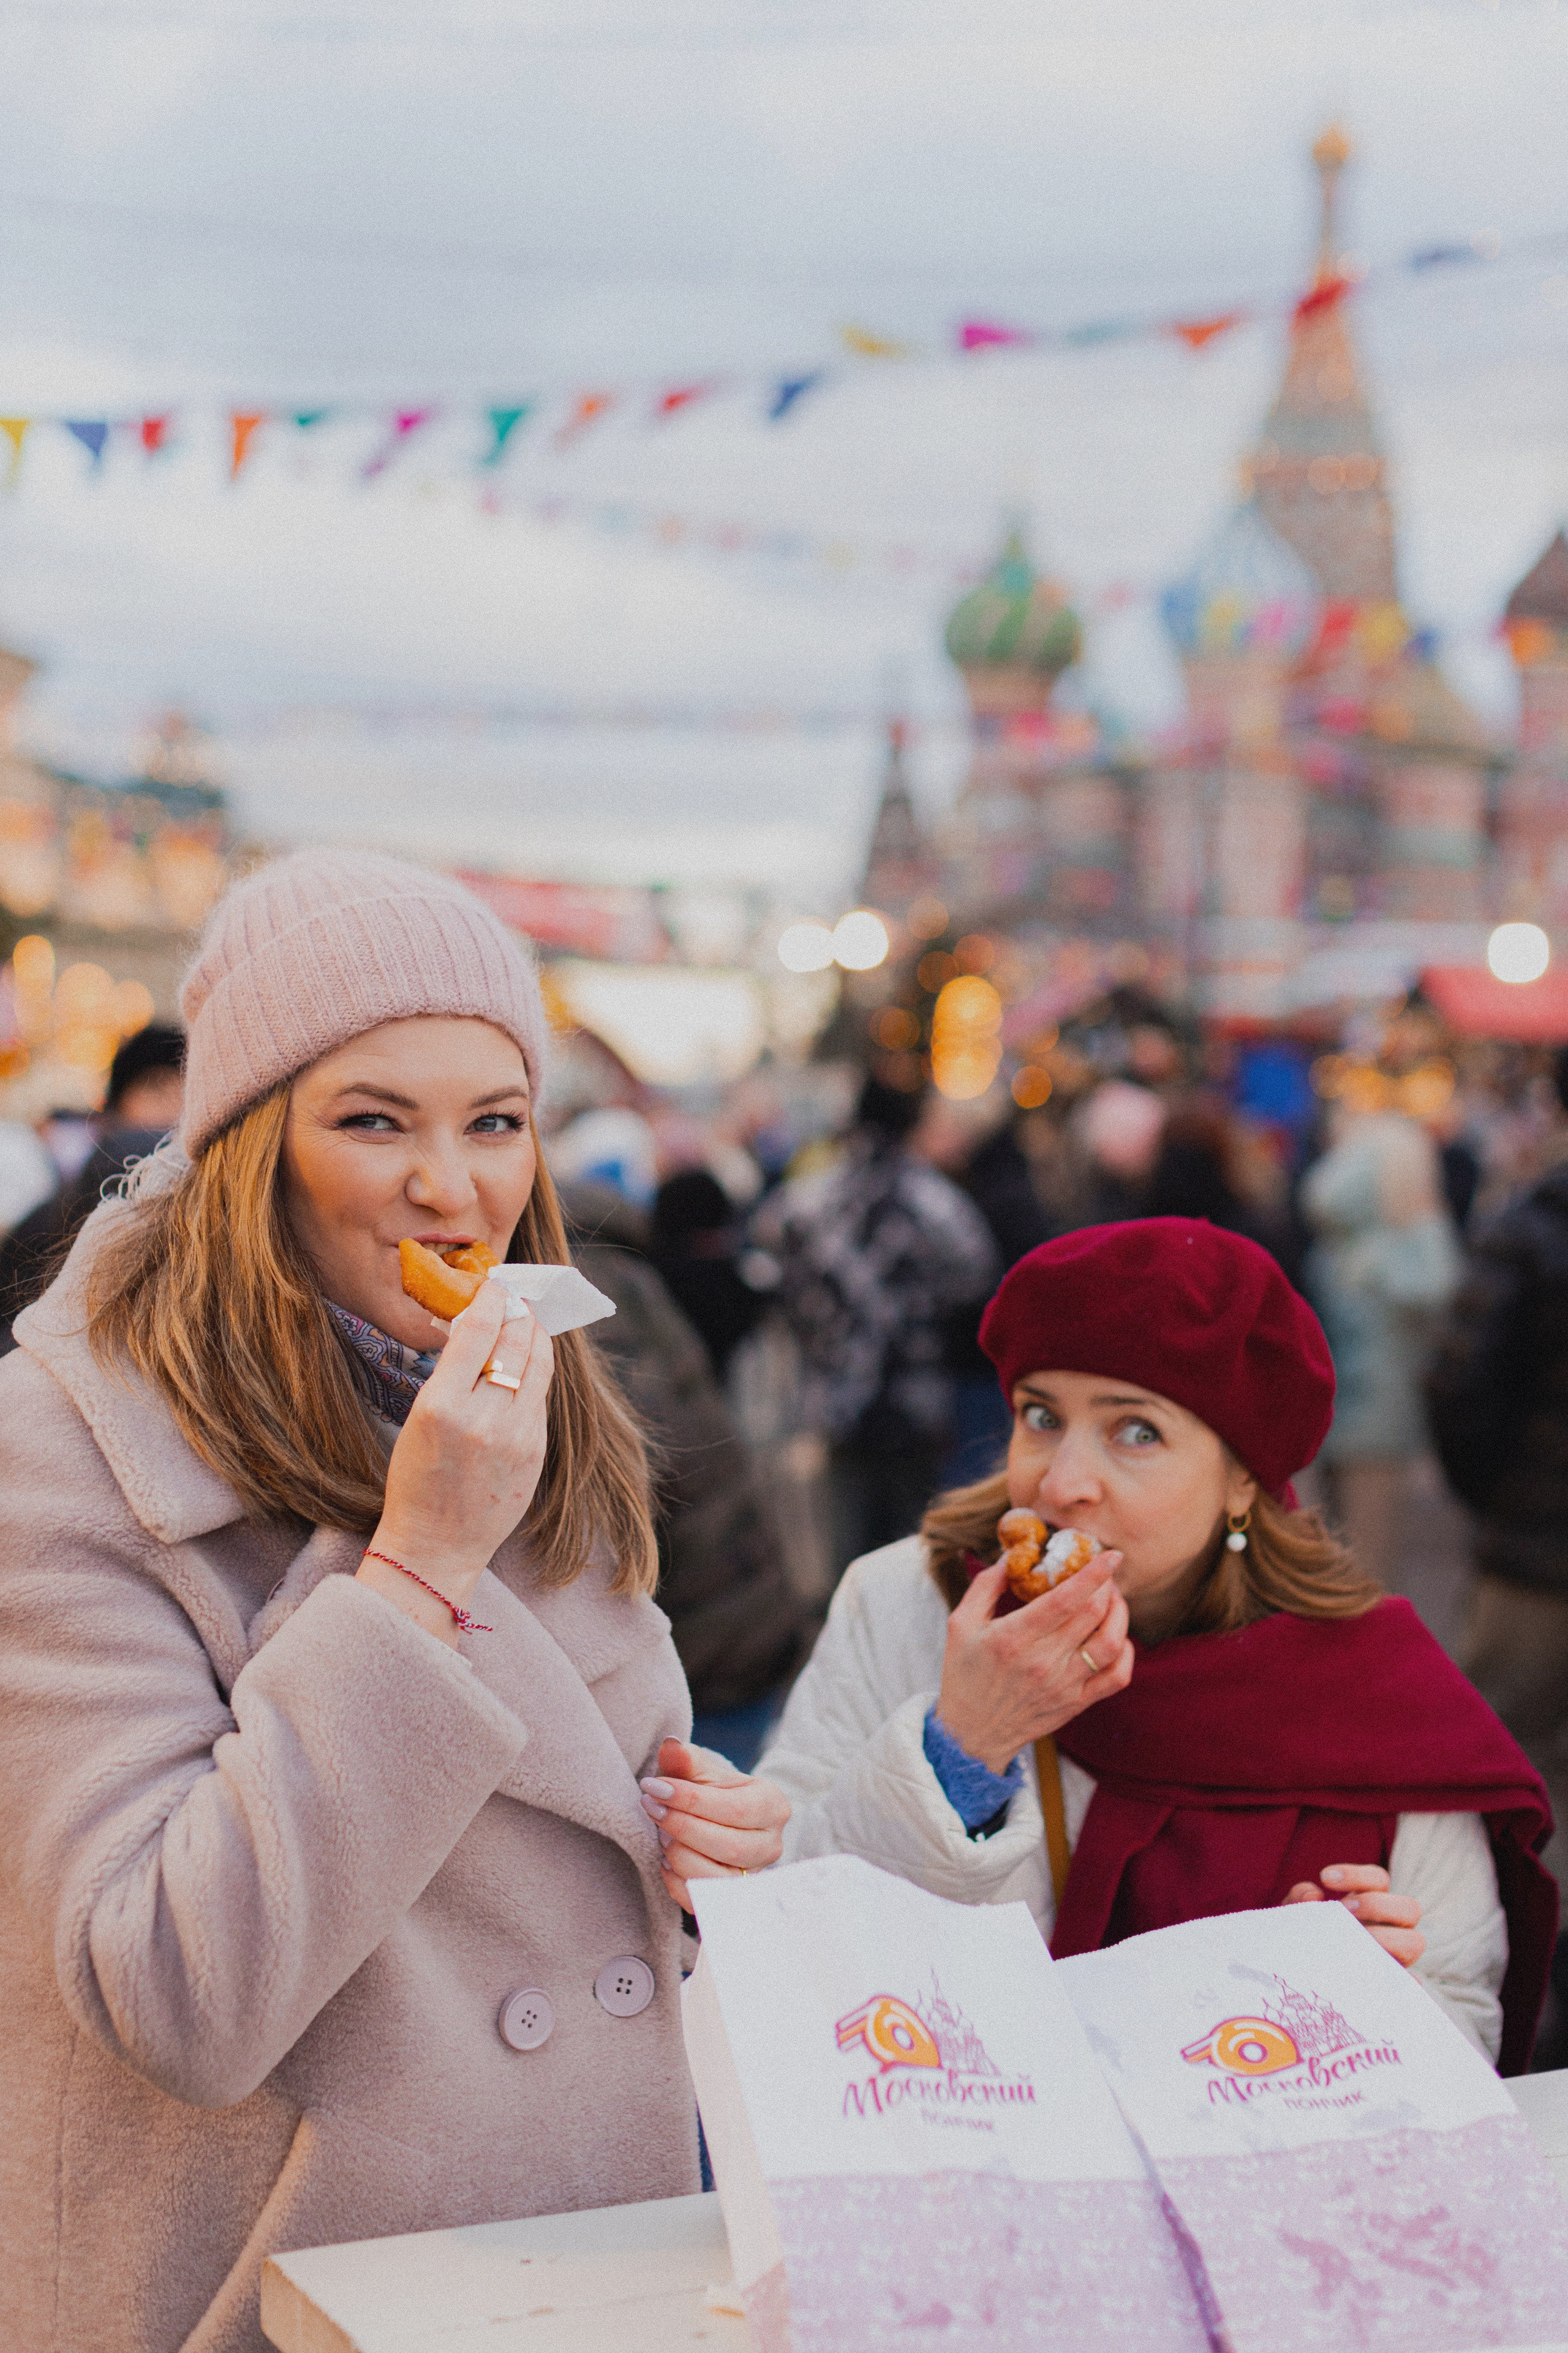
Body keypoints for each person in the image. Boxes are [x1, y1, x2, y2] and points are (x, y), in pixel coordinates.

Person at [0, 851, 788, 2353]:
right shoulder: (65, 1451)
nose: (454, 1184)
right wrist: (415, 1564)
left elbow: (551, 1872)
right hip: (279, 2292)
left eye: (495, 1121)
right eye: (375, 1120)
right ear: (248, 1149)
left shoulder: (539, 1399)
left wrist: (691, 1857)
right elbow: (175, 1985)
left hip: (577, 2271)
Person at [744, 1219, 1556, 2072]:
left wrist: (1360, 2005)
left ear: (1242, 1474)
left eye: (1138, 1432)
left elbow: (1464, 2023)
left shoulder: (1370, 1688)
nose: (1062, 1485)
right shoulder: (907, 1604)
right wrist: (961, 1750)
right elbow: (781, 1930)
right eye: (1041, 1415)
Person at [561, 1174, 811, 1771]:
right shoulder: (607, 1263)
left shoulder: (570, 1284)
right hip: (721, 1601)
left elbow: (654, 1458)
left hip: (705, 1624)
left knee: (701, 1832)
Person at [755, 1073, 997, 1575]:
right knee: (917, 1547)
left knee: (848, 1546)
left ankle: (850, 1638)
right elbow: (976, 1279)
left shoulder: (807, 1200)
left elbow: (772, 1275)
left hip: (837, 1396)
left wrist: (822, 1332)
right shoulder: (938, 1202)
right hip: (918, 1398)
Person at [1300, 1101, 1461, 1585]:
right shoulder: (1395, 1242)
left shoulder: (1341, 1242)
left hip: (1336, 1411)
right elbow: (1439, 1291)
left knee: (1332, 1556)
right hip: (1376, 1415)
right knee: (1366, 1563)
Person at [0, 1023, 187, 1351]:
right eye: (157, 1089)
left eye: (189, 1090)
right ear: (120, 1100)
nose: (176, 1109)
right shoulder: (68, 1203)